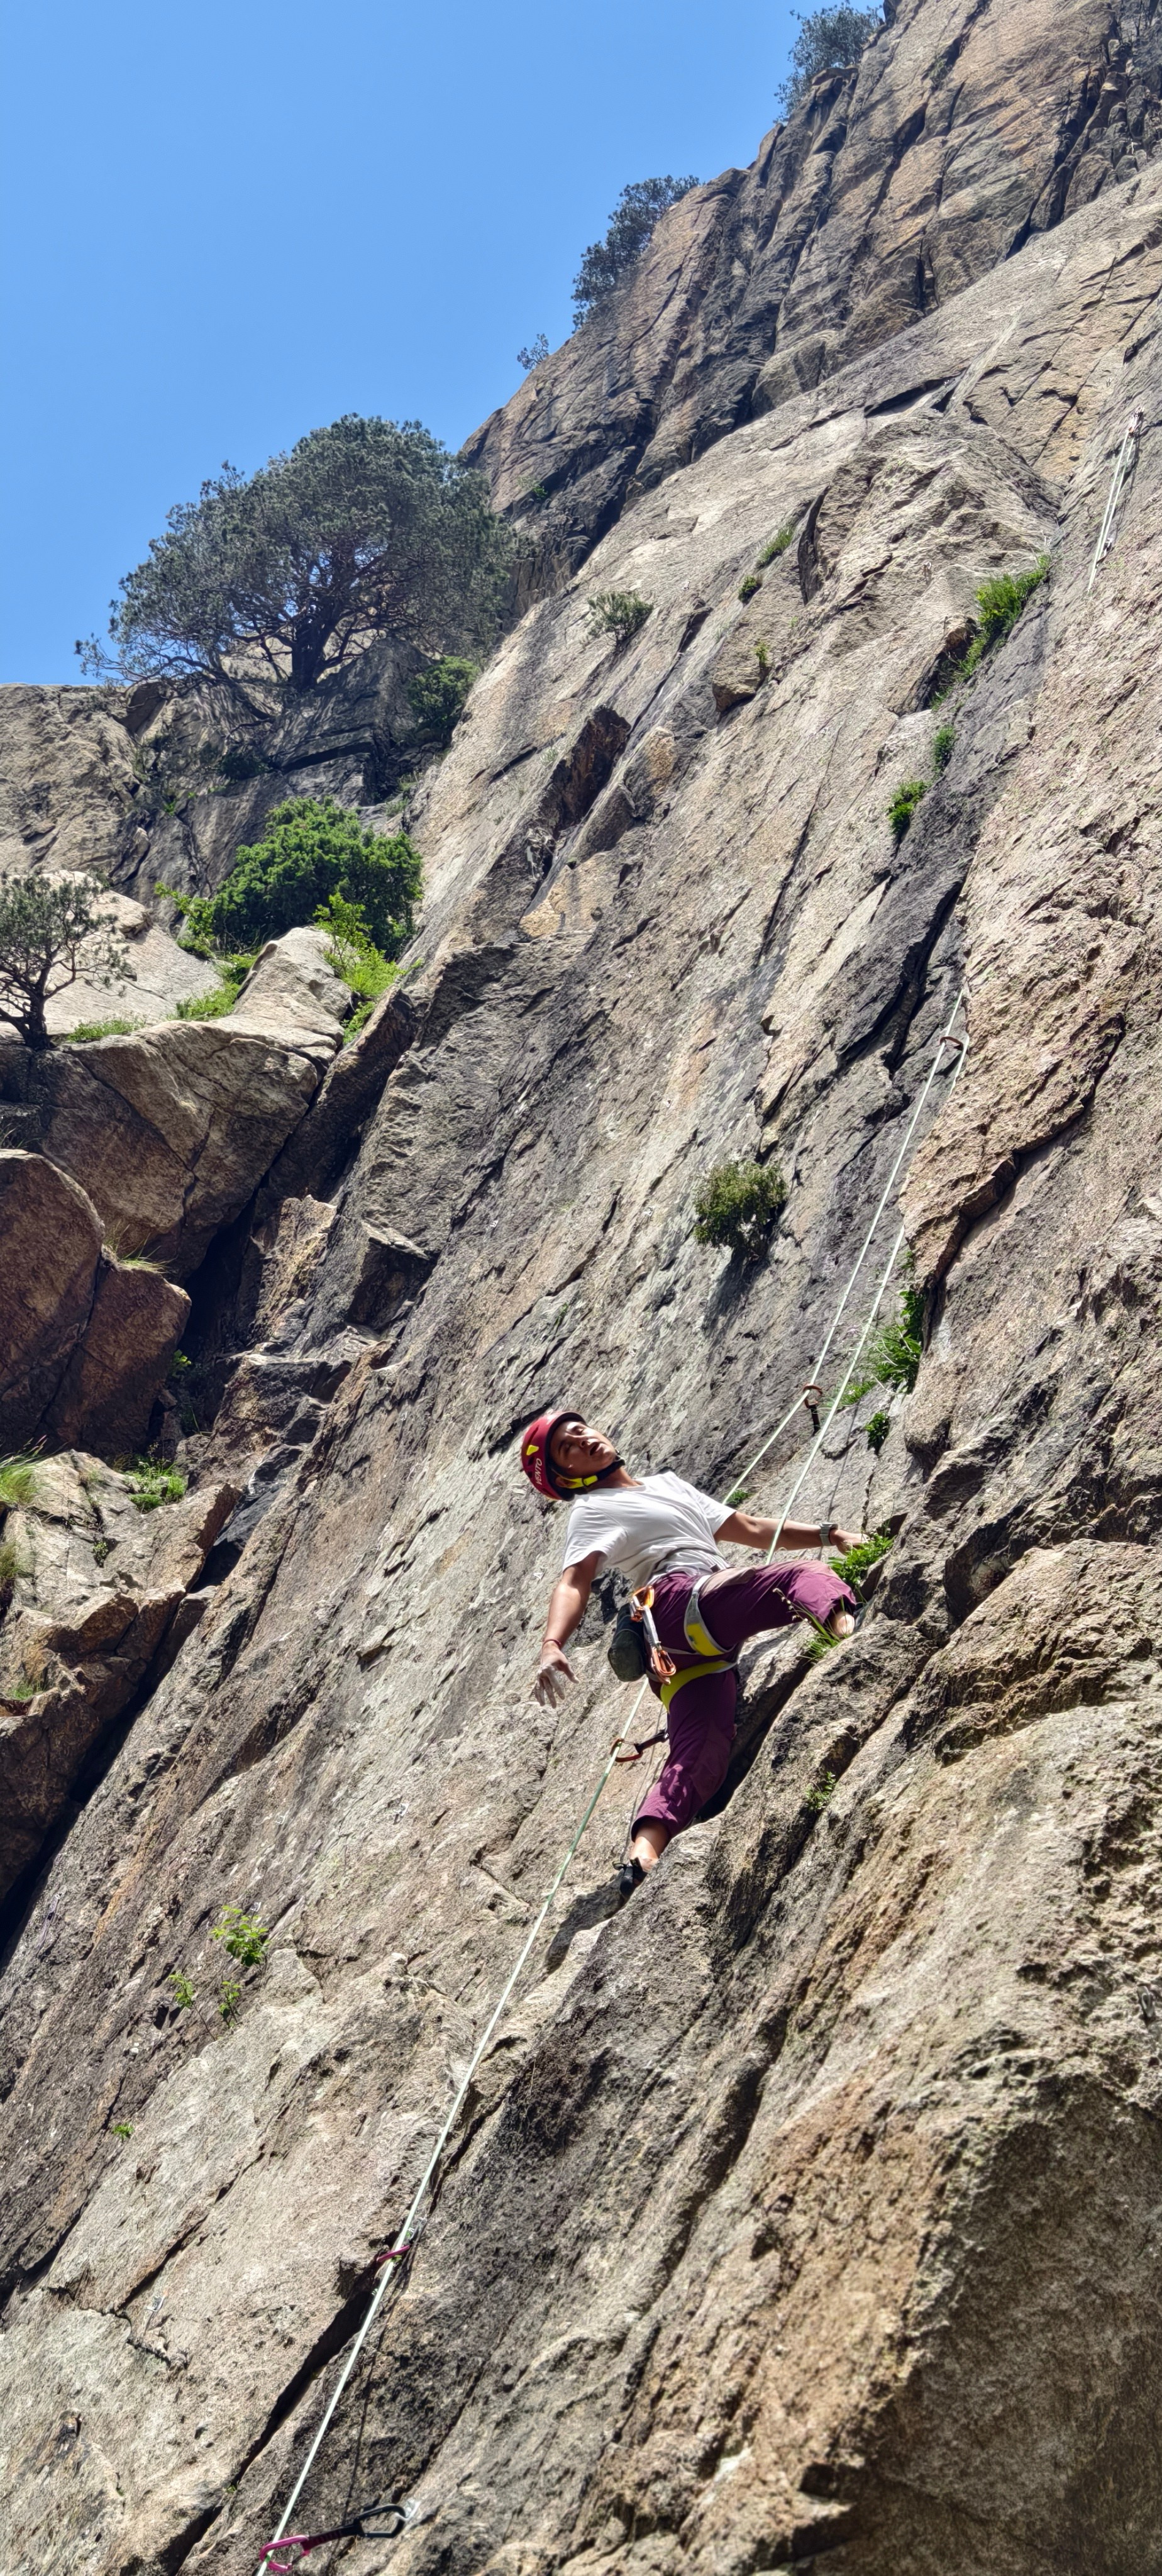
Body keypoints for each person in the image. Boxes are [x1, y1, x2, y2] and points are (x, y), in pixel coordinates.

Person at [519, 1408, 861, 1901]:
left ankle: (644, 1854)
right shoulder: (591, 1509)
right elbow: (574, 1580)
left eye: (579, 1432)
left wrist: (830, 1534)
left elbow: (750, 1527)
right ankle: (850, 1636)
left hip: (680, 1646)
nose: (581, 1442)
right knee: (799, 1578)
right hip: (679, 1600)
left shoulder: (669, 1485)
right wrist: (552, 1644)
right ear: (566, 1477)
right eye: (565, 1451)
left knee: (700, 1752)